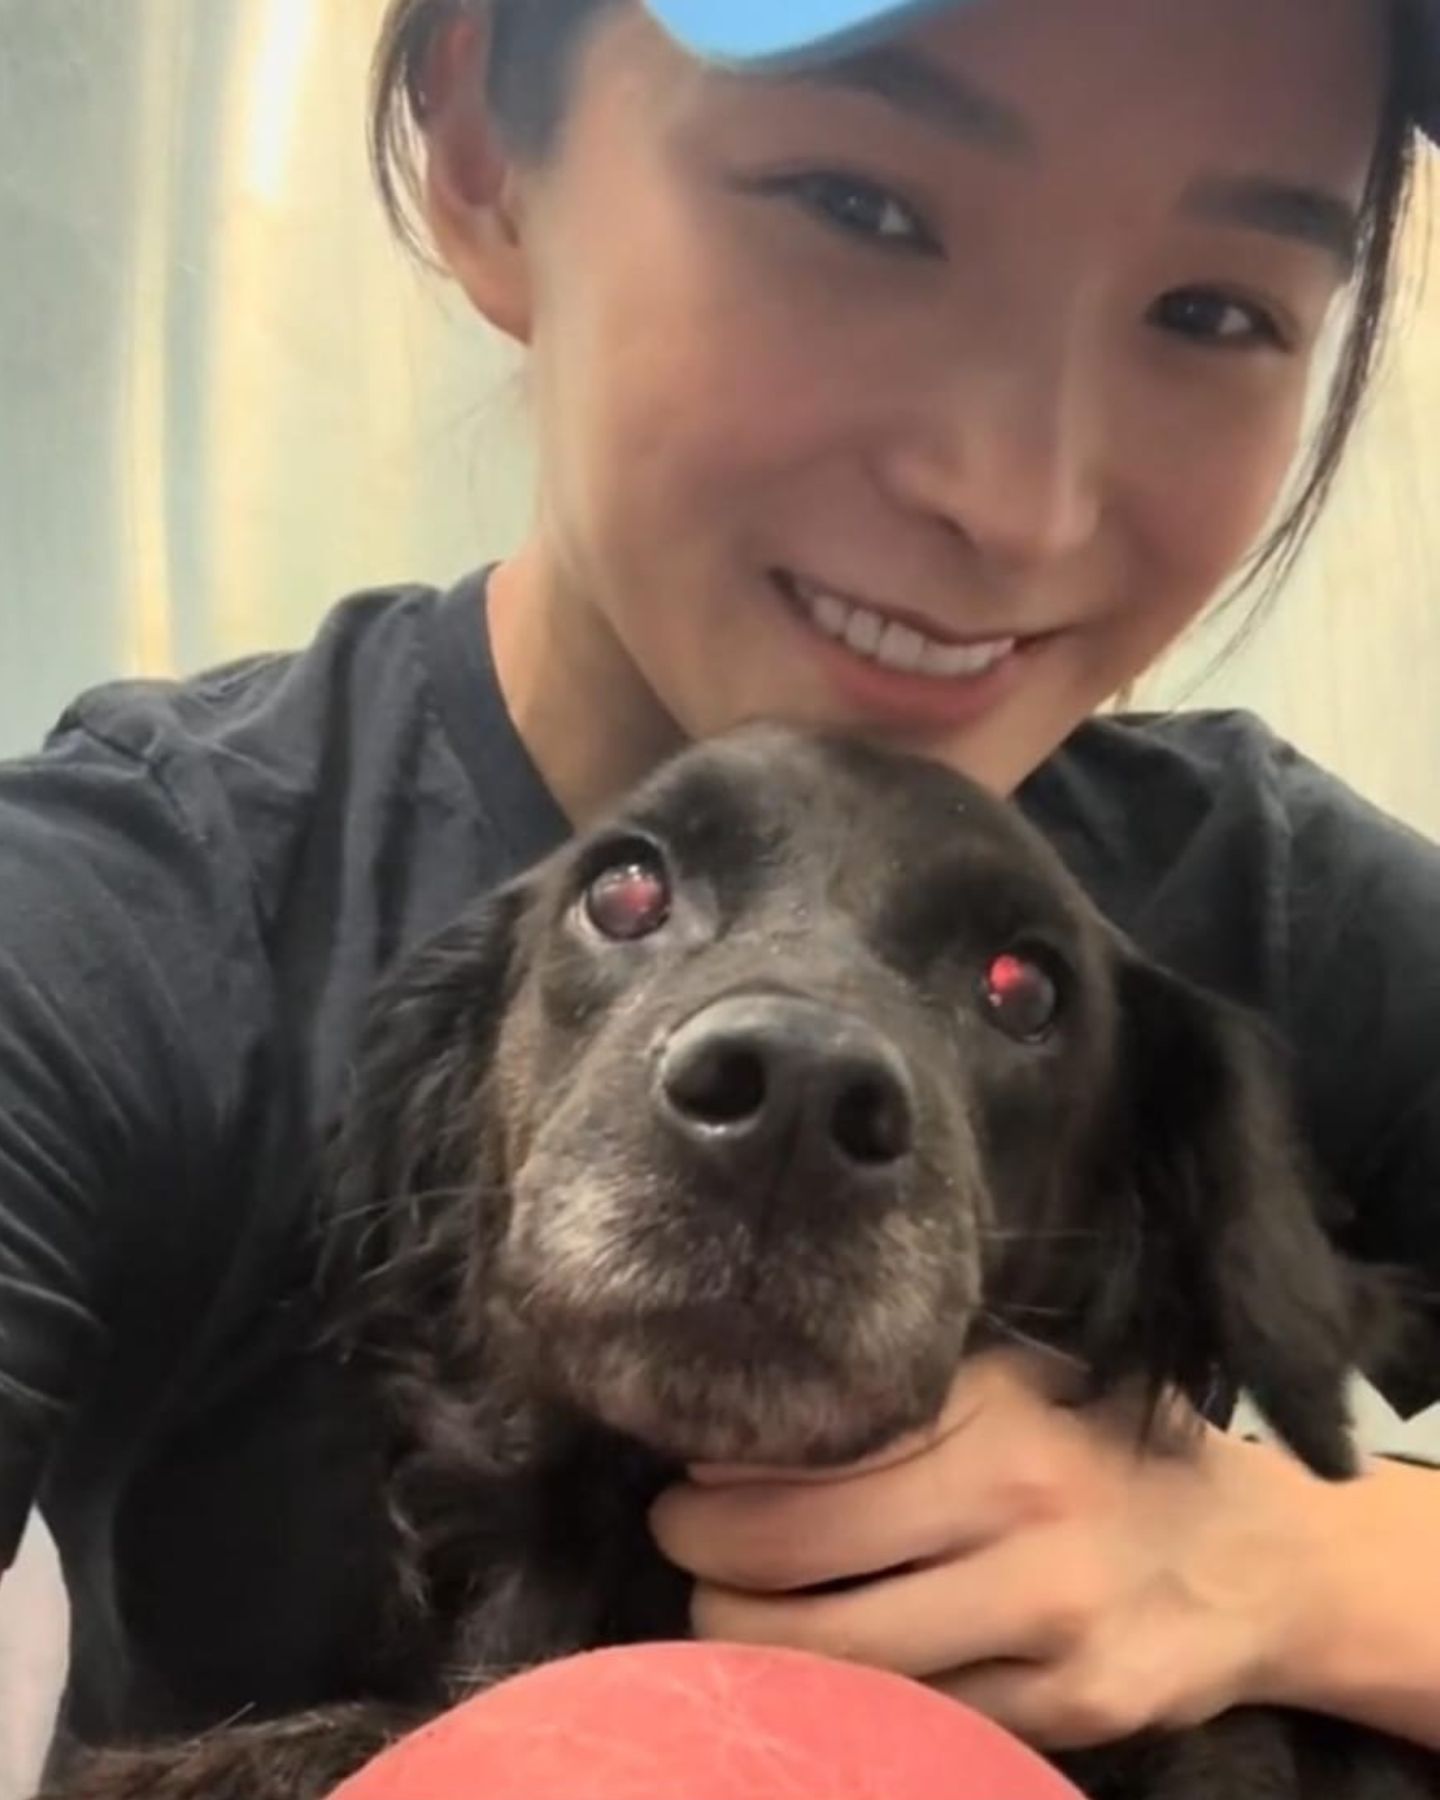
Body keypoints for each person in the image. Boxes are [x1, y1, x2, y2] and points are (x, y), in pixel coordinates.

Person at [2, 0, 1439, 1769]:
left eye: (1214, 311)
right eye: (861, 205)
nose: (1020, 496)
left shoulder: (1292, 919)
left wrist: (1317, 1568)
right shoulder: (114, 932)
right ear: (481, 154)